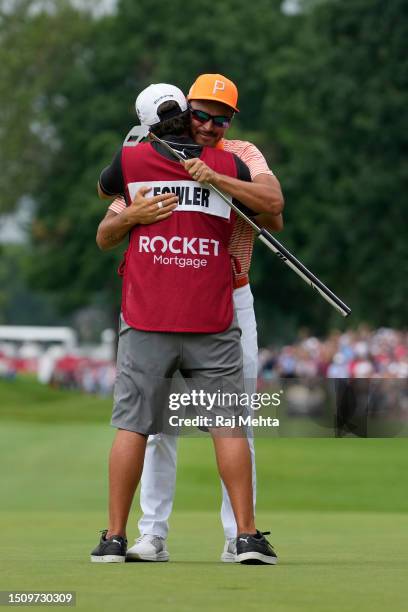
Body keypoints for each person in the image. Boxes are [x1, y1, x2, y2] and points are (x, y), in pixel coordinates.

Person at [97, 74, 284, 563]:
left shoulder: (240, 155)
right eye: (201, 115)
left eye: (221, 118)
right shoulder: (149, 155)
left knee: (235, 419)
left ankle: (237, 535)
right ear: (185, 110)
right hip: (169, 302)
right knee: (160, 428)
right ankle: (151, 534)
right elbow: (110, 215)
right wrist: (133, 216)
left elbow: (275, 211)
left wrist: (213, 177)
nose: (210, 125)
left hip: (229, 298)